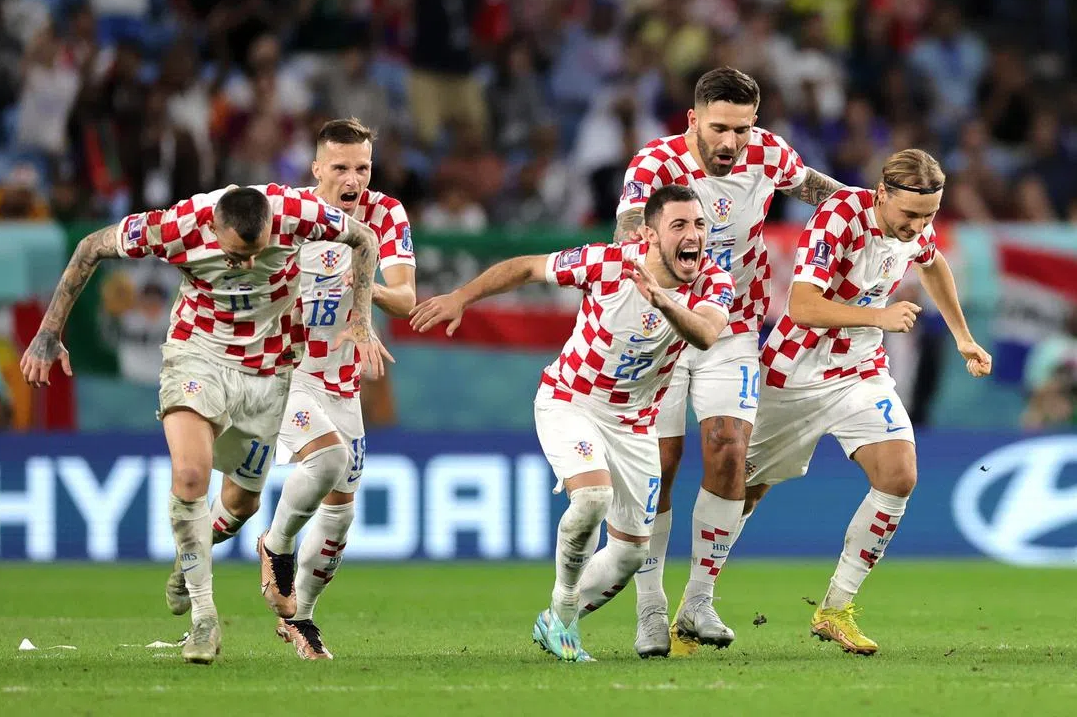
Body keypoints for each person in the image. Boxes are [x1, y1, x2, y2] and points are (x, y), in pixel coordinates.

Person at [20, 184, 393, 665]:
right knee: (192, 477)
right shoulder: (176, 225)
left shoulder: (297, 214)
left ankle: (190, 555)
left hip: (268, 374)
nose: (245, 265)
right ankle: (204, 620)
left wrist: (360, 320)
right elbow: (90, 246)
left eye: (255, 254)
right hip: (197, 356)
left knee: (240, 504)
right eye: (235, 255)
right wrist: (49, 332)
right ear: (214, 228)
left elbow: (363, 237)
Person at [411, 185, 734, 661]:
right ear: (649, 234)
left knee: (628, 554)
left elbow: (706, 334)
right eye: (680, 225)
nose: (694, 236)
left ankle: (556, 621)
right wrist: (462, 296)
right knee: (593, 496)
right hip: (572, 400)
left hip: (635, 422)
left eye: (700, 225)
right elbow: (525, 267)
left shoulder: (713, 282)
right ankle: (562, 610)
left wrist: (665, 302)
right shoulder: (606, 263)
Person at [613, 66, 844, 656]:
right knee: (659, 466)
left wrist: (870, 209)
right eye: (718, 128)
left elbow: (823, 191)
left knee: (728, 449)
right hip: (659, 328)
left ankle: (698, 600)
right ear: (693, 119)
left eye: (741, 129)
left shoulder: (768, 153)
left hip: (734, 326)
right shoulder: (654, 164)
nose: (730, 143)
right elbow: (626, 234)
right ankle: (649, 608)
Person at [746, 149, 992, 655]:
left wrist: (963, 337)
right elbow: (801, 305)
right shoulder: (839, 217)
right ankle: (692, 607)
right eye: (910, 215)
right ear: (882, 194)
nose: (918, 226)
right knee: (744, 493)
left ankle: (835, 608)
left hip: (860, 372)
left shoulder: (914, 225)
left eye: (929, 216)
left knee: (899, 475)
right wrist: (879, 317)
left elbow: (933, 262)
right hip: (795, 371)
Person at [260, 118, 415, 659]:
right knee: (324, 463)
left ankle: (299, 616)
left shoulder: (386, 213)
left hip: (342, 382)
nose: (354, 179)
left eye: (363, 168)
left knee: (341, 510)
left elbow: (407, 296)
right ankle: (274, 547)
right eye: (342, 168)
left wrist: (362, 288)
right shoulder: (285, 209)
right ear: (317, 170)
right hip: (285, 371)